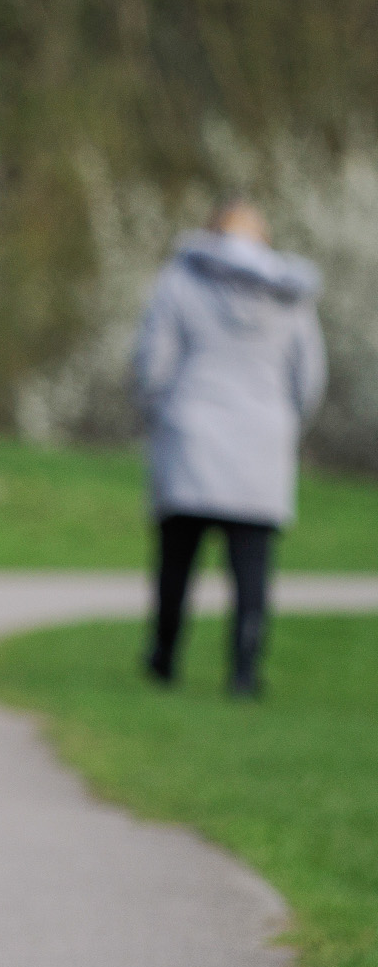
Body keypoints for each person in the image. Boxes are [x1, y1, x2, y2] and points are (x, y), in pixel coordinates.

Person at [134, 196, 325, 696]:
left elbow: (153, 363)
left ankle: (163, 661)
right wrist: (280, 421)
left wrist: (161, 411)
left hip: (191, 435)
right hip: (262, 441)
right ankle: (243, 672)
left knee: (177, 562)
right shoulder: (290, 295)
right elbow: (309, 378)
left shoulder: (181, 280)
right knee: (252, 572)